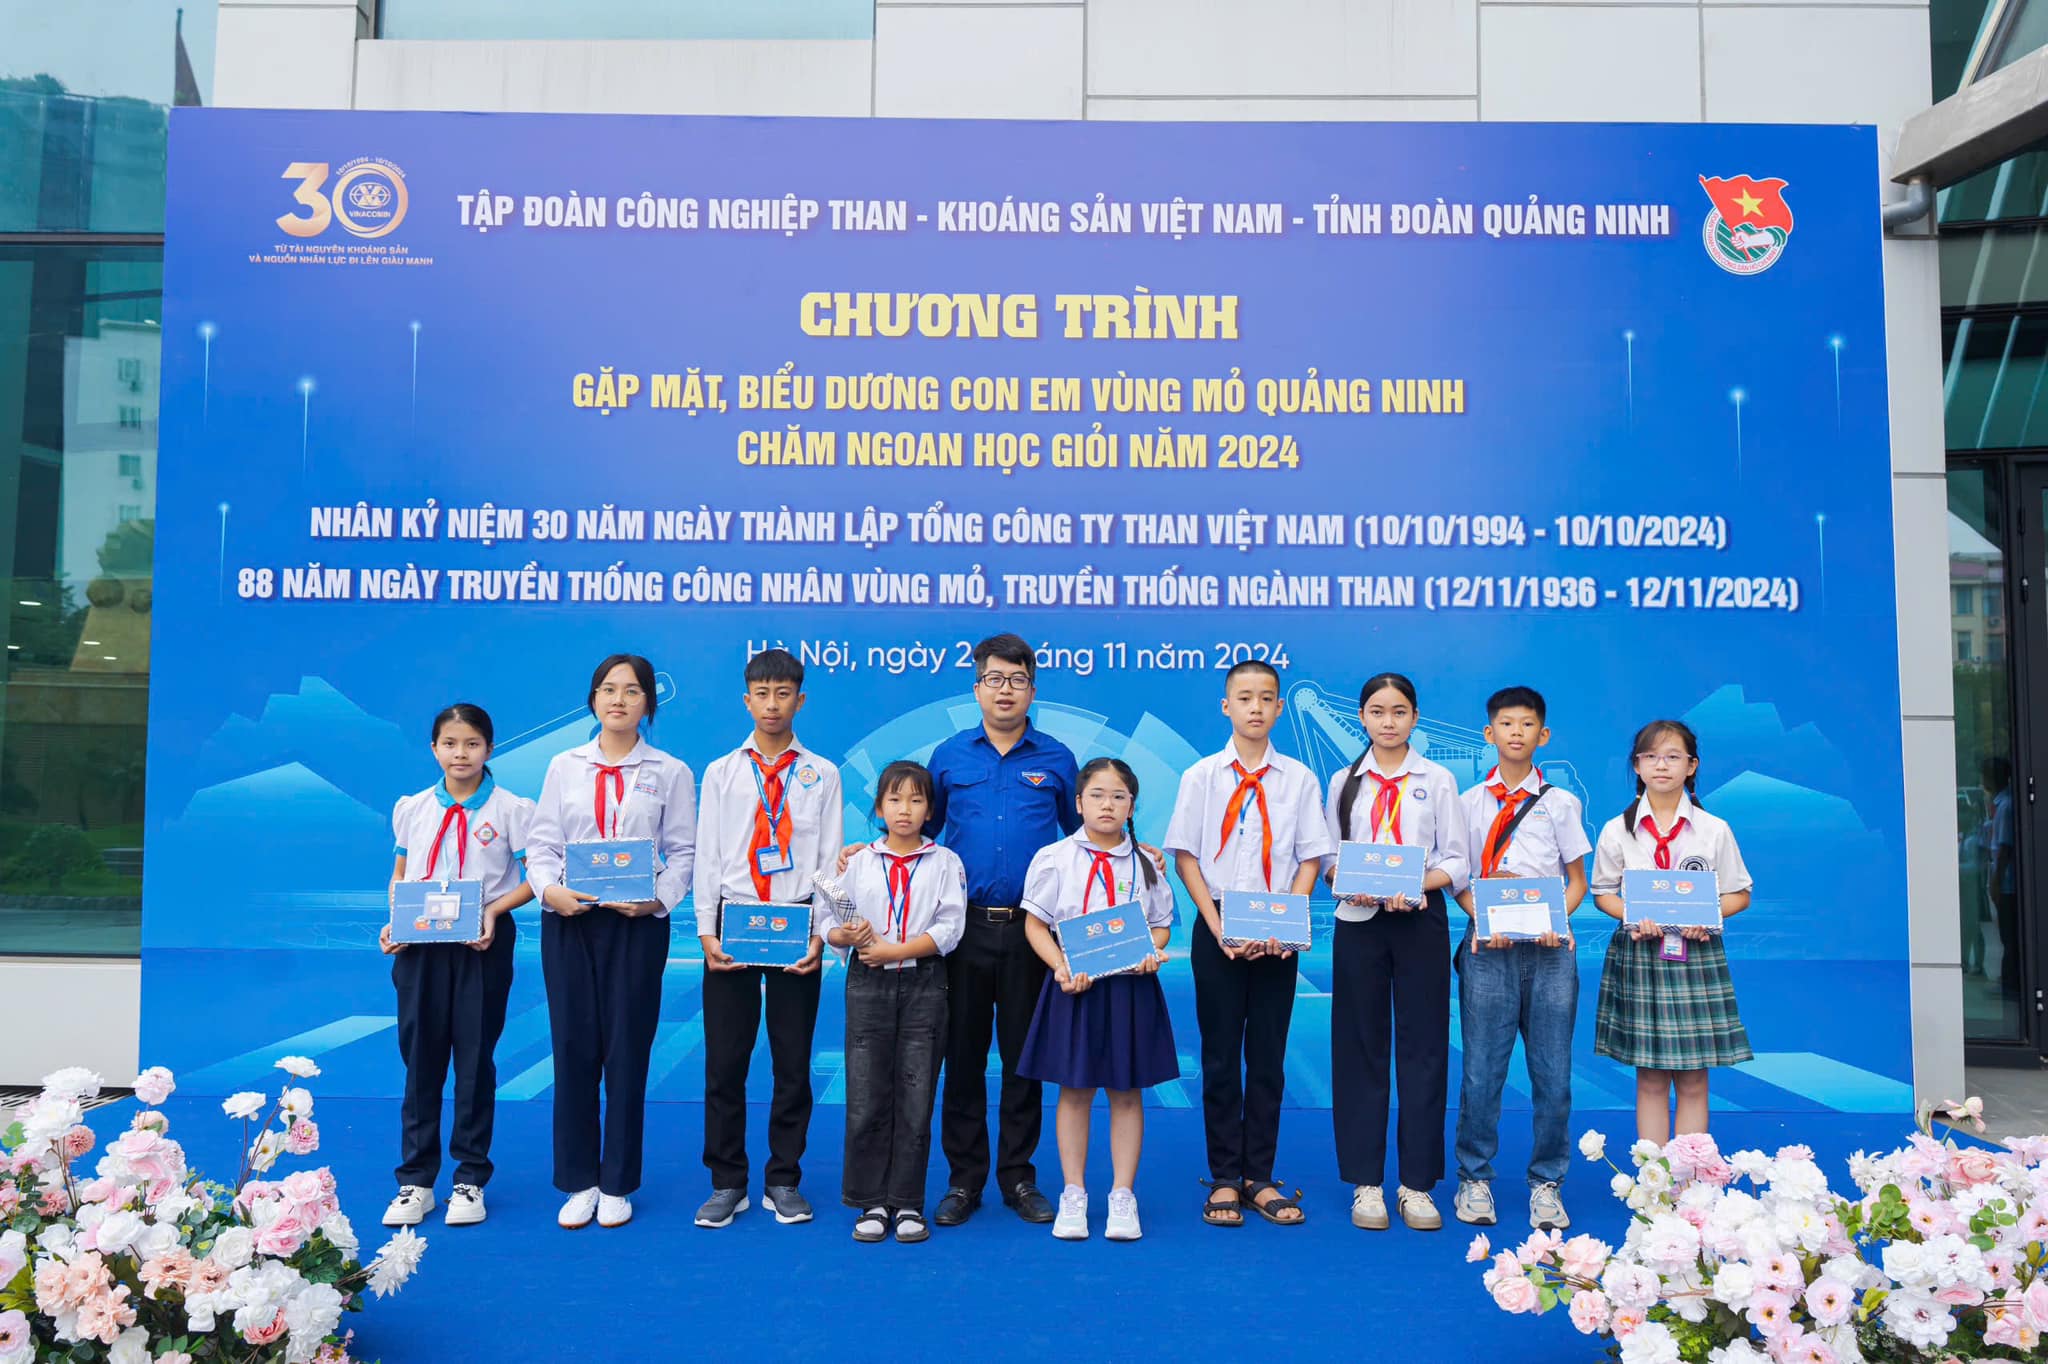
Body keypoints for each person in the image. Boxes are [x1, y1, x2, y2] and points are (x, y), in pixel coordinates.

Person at [527, 654, 697, 1230]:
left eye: (631, 691)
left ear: (649, 702)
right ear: (593, 699)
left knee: (627, 1050)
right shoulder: (564, 766)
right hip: (570, 921)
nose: (618, 700)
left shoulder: (670, 770)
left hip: (636, 925)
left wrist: (657, 901)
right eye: (607, 689)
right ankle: (579, 1180)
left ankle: (618, 1181)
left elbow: (684, 851)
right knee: (573, 1048)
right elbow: (542, 846)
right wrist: (550, 892)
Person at [1166, 659, 1331, 1229]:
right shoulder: (1201, 776)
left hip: (1277, 935)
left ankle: (1259, 1175)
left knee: (1266, 1058)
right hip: (1217, 927)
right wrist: (1217, 927)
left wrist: (1285, 923)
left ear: (1280, 708)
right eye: (1244, 697)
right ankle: (1223, 1176)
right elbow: (1186, 857)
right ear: (1226, 706)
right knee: (1219, 1058)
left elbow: (1310, 858)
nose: (1255, 707)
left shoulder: (1300, 779)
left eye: (1266, 698)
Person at [923, 634, 1079, 1227]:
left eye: (1017, 680)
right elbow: (921, 831)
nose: (1005, 690)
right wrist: (867, 851)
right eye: (994, 679)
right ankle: (963, 1181)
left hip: (1031, 933)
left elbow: (1082, 839)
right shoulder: (949, 756)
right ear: (977, 688)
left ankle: (1018, 1177)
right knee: (961, 1057)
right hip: (961, 930)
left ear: (1032, 690)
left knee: (1023, 1059)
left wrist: (1140, 856)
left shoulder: (1057, 759)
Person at [692, 647, 841, 1229]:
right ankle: (727, 1181)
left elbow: (829, 860)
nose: (772, 704)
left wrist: (822, 934)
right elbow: (707, 856)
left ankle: (783, 1178)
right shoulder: (722, 772)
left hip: (796, 926)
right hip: (735, 922)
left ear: (800, 700)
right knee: (725, 1063)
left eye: (783, 694)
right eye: (762, 694)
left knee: (792, 1062)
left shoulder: (821, 774)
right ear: (746, 700)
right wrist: (706, 930)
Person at [1325, 672, 1470, 1233]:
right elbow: (1328, 856)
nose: (1388, 722)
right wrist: (1347, 881)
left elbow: (1456, 859)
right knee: (1359, 1047)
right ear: (1362, 717)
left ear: (1415, 718)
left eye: (1399, 711)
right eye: (1378, 711)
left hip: (1419, 920)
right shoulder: (1344, 781)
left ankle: (1417, 1184)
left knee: (1424, 1048)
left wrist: (1416, 883)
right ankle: (1366, 1182)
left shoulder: (1438, 780)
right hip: (1359, 921)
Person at [380, 702, 534, 1229]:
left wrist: (492, 910)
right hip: (420, 947)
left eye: (471, 744)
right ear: (434, 749)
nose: (460, 754)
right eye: (449, 744)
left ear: (489, 748)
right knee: (420, 1060)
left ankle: (470, 1177)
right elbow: (401, 873)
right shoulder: (413, 807)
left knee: (473, 1060)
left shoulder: (512, 810)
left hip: (481, 945)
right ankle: (415, 1182)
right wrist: (394, 921)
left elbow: (536, 878)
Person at [1018, 758, 1178, 1241]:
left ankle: (1123, 1195)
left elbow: (1161, 926)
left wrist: (1152, 951)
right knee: (1075, 1090)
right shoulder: (1054, 857)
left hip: (1130, 989)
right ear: (1078, 802)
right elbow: (1035, 924)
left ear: (1132, 806)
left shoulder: (1147, 863)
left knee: (1127, 1092)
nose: (1107, 805)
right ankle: (1074, 1193)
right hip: (1075, 987)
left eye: (1118, 796)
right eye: (1097, 795)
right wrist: (1060, 966)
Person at [1450, 686, 1589, 1232]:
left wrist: (1558, 920)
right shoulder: (1466, 803)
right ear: (1490, 733)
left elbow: (1576, 881)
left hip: (1550, 954)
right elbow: (1457, 880)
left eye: (1527, 724)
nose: (1516, 732)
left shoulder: (1561, 803)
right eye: (1506, 724)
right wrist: (1484, 921)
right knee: (1482, 1072)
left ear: (1543, 735)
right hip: (1488, 952)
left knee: (1553, 1076)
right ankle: (1474, 1177)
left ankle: (1547, 1182)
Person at [1590, 719, 1753, 1142]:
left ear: (1692, 766)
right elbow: (1603, 893)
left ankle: (1689, 1175)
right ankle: (1653, 1175)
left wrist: (1708, 916)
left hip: (1697, 953)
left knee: (1695, 1077)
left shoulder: (1714, 829)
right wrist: (1631, 915)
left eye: (1673, 757)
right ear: (1637, 766)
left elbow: (1740, 894)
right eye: (1651, 756)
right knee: (1650, 1076)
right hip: (1640, 953)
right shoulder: (1616, 829)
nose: (1661, 765)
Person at [825, 760, 966, 1244]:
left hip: (925, 982)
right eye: (894, 800)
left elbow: (950, 928)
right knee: (866, 1094)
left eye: (916, 800)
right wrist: (842, 935)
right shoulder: (858, 862)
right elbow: (829, 922)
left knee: (916, 1095)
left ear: (930, 810)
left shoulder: (945, 863)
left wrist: (897, 951)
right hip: (868, 982)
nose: (904, 810)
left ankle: (907, 1202)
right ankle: (869, 1201)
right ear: (879, 808)